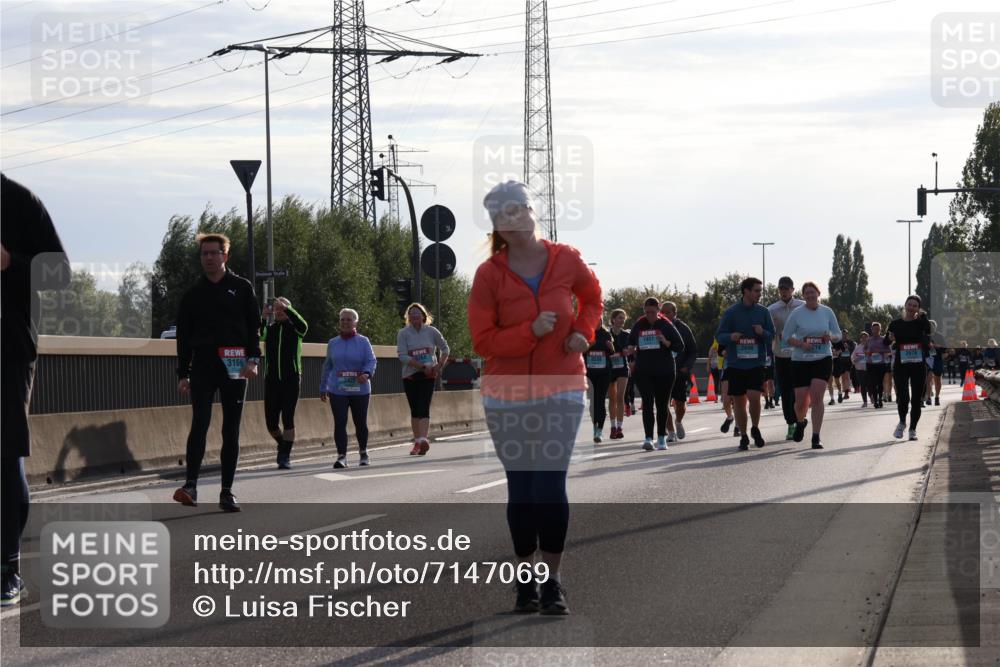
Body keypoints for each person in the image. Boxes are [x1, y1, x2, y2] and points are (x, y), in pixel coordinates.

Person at [469, 180, 602, 615]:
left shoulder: (567, 259)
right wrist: (531, 332)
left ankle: (554, 581)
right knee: (522, 489)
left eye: (519, 209)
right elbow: (483, 341)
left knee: (548, 483)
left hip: (561, 387)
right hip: (506, 394)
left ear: (532, 212)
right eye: (503, 214)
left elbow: (593, 299)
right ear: (497, 226)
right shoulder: (490, 274)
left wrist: (583, 333)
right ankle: (525, 581)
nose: (514, 219)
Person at [1, 174, 69, 606]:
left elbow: (59, 272)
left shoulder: (20, 201)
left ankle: (7, 565)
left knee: (4, 453)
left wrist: (11, 263)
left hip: (7, 348)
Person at [174, 233, 260, 513]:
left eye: (214, 253)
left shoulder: (241, 287)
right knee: (199, 422)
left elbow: (253, 327)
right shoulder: (192, 294)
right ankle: (190, 486)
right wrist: (182, 372)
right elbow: (183, 337)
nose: (209, 258)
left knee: (230, 428)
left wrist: (254, 359)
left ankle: (227, 491)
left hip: (235, 362)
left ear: (225, 256)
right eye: (204, 254)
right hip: (203, 365)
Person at [782, 281, 842, 449]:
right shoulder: (797, 313)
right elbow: (786, 336)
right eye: (806, 293)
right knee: (800, 402)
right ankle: (800, 422)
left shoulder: (827, 312)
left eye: (812, 292)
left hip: (822, 358)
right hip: (800, 360)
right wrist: (801, 344)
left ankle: (816, 436)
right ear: (803, 296)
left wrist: (829, 336)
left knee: (817, 398)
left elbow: (837, 334)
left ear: (818, 294)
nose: (810, 295)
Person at [715, 278, 774, 450]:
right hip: (735, 363)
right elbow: (719, 336)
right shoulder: (731, 312)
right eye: (756, 291)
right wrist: (731, 337)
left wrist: (762, 332)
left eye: (760, 291)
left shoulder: (763, 312)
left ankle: (755, 428)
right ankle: (743, 435)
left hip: (756, 362)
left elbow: (772, 334)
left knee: (754, 398)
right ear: (746, 291)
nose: (759, 294)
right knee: (739, 402)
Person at [321, 308, 377, 468]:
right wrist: (323, 386)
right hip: (338, 389)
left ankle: (363, 452)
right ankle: (341, 457)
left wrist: (366, 374)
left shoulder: (363, 341)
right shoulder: (333, 343)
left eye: (349, 320)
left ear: (355, 323)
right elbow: (328, 366)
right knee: (339, 422)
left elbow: (371, 360)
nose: (345, 322)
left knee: (360, 423)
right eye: (342, 320)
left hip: (360, 389)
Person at [628, 297, 685, 451]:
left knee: (661, 405)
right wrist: (631, 350)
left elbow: (680, 346)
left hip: (665, 371)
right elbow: (630, 343)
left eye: (652, 312)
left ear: (658, 311)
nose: (649, 315)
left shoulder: (666, 324)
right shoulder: (639, 324)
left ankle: (661, 438)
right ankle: (648, 438)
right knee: (647, 404)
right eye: (646, 312)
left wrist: (666, 342)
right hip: (643, 371)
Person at [260, 296, 308, 469]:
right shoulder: (271, 329)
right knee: (271, 422)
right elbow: (259, 334)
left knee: (288, 417)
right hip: (272, 379)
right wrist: (264, 317)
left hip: (291, 378)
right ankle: (283, 444)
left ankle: (285, 455)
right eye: (277, 308)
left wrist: (288, 309)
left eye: (282, 308)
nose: (279, 311)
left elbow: (304, 325)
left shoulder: (295, 328)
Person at [397, 303, 450, 456]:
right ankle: (417, 442)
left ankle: (423, 441)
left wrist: (439, 366)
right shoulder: (403, 333)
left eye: (417, 313)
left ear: (424, 316)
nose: (414, 316)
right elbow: (402, 355)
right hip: (411, 375)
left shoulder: (432, 331)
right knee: (415, 410)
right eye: (411, 313)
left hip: (429, 375)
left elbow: (445, 348)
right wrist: (420, 366)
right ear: (408, 317)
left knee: (424, 407)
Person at [888, 296, 931, 441]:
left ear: (918, 308)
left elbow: (929, 330)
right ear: (905, 305)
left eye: (915, 305)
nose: (911, 307)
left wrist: (923, 317)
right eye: (910, 304)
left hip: (918, 365)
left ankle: (913, 429)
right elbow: (886, 340)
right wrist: (890, 339)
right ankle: (902, 423)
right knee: (903, 397)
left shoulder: (920, 323)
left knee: (916, 399)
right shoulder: (895, 323)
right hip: (901, 364)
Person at [767, 276, 805, 440]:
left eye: (787, 288)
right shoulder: (772, 309)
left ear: (792, 290)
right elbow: (768, 333)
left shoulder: (802, 306)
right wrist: (773, 328)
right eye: (781, 289)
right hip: (781, 355)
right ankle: (791, 423)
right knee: (786, 392)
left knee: (800, 391)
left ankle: (800, 419)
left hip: (800, 355)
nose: (784, 291)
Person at [661, 301, 697, 441]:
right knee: (663, 403)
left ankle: (678, 421)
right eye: (662, 312)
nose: (665, 315)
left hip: (679, 372)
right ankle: (670, 432)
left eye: (668, 312)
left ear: (675, 313)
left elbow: (692, 351)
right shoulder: (658, 327)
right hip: (662, 371)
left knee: (680, 404)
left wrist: (686, 366)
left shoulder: (683, 328)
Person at [585, 319, 615, 443]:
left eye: (600, 321)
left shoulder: (606, 334)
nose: (598, 322)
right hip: (590, 373)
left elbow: (612, 352)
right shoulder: (586, 333)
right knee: (592, 403)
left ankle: (599, 430)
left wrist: (611, 348)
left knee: (600, 400)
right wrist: (589, 346)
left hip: (603, 372)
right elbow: (579, 352)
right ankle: (594, 426)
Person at [607, 309, 631, 439]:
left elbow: (632, 348)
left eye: (623, 318)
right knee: (612, 398)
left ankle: (619, 427)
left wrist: (628, 351)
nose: (622, 320)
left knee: (620, 397)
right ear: (613, 319)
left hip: (622, 367)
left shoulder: (626, 335)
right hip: (610, 368)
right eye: (619, 318)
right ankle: (612, 427)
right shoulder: (607, 334)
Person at [866, 322, 891, 409]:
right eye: (874, 329)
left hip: (880, 364)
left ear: (880, 330)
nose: (876, 331)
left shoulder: (883, 339)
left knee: (880, 382)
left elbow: (888, 350)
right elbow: (865, 350)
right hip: (871, 363)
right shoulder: (869, 340)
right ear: (871, 330)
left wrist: (880, 351)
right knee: (873, 383)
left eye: (877, 329)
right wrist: (869, 352)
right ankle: (875, 400)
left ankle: (880, 399)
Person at [924, 320, 945, 407]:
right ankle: (928, 397)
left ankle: (937, 397)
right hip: (927, 359)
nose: (930, 327)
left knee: (937, 380)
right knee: (928, 379)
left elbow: (945, 348)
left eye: (932, 326)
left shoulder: (939, 336)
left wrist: (937, 346)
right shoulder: (924, 335)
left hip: (937, 359)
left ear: (935, 327)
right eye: (929, 326)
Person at [852, 331, 870, 407]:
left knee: (870, 385)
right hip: (860, 369)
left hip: (869, 368)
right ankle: (865, 401)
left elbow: (876, 356)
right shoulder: (857, 347)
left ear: (868, 338)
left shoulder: (871, 346)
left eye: (865, 337)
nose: (864, 339)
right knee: (862, 385)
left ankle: (871, 395)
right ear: (860, 339)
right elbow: (853, 357)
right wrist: (855, 360)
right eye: (862, 338)